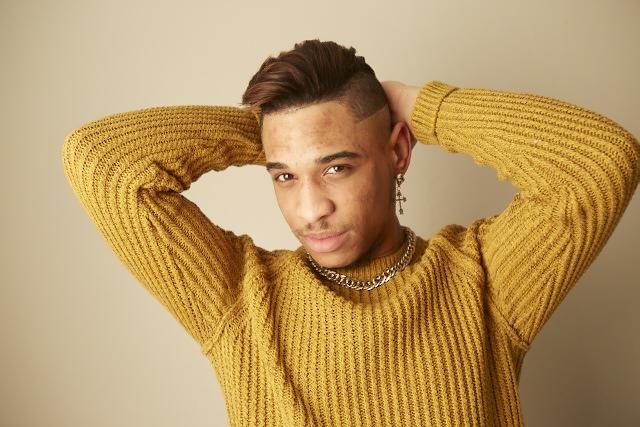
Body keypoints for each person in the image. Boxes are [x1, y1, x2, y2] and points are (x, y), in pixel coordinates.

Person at [62, 40, 639, 426]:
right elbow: (101, 163)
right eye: (284, 176)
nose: (310, 209)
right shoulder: (239, 294)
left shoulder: (484, 279)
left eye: (336, 167)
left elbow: (601, 163)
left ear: (397, 152)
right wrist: (271, 130)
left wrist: (415, 105)